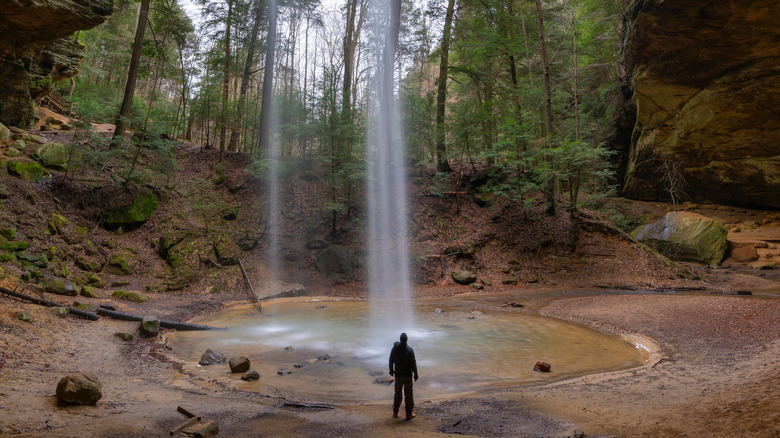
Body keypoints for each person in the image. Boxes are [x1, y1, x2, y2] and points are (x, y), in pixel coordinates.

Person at [388, 332, 418, 420]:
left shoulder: (395, 349)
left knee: (397, 394)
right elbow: (413, 363)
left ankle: (395, 412)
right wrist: (416, 374)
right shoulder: (409, 350)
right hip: (408, 376)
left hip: (398, 376)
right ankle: (409, 414)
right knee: (408, 395)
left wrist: (391, 370)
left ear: (400, 340)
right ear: (406, 340)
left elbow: (391, 360)